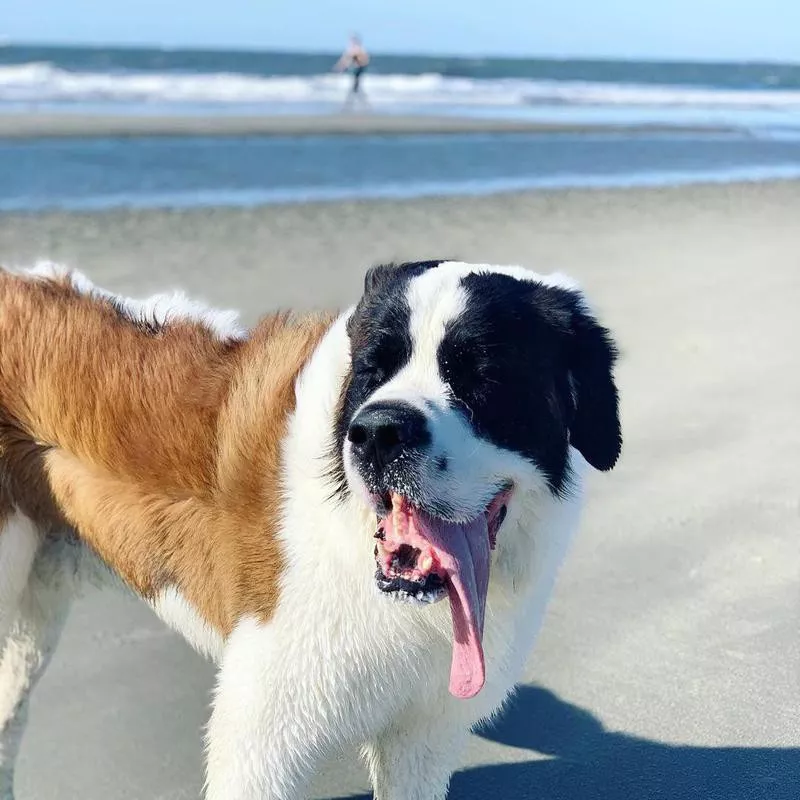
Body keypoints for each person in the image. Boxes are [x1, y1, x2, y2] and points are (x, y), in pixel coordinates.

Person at [333, 34, 370, 108]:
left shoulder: (358, 49)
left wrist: (340, 67)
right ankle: (359, 101)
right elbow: (345, 60)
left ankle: (352, 102)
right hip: (356, 69)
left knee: (355, 86)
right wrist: (340, 67)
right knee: (356, 86)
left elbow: (364, 60)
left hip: (358, 69)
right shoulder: (356, 49)